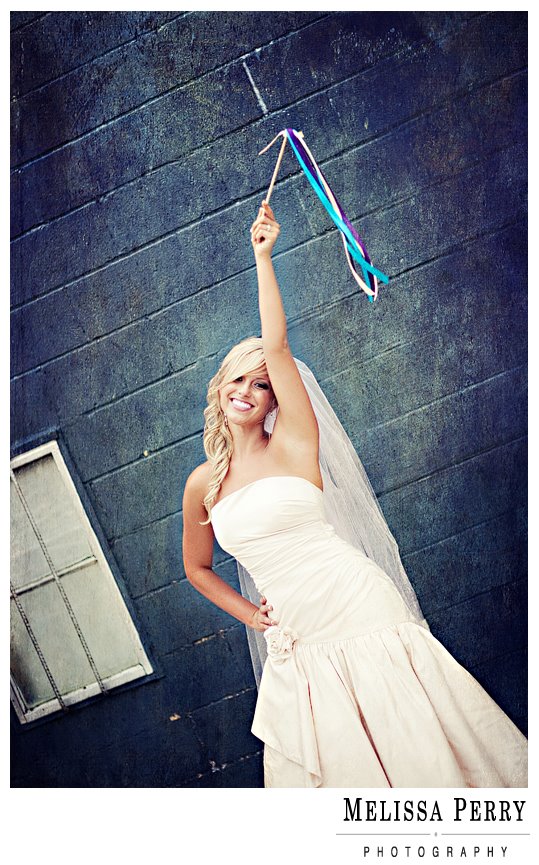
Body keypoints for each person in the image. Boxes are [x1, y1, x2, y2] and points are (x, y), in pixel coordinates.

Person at [182, 200, 527, 788]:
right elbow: (196, 568)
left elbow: (278, 348)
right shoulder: (203, 483)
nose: (247, 391)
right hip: (298, 631)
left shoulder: (295, 442)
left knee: (413, 740)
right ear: (220, 390)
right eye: (237, 379)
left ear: (274, 400)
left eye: (261, 385)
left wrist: (263, 258)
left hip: (357, 603)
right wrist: (254, 617)